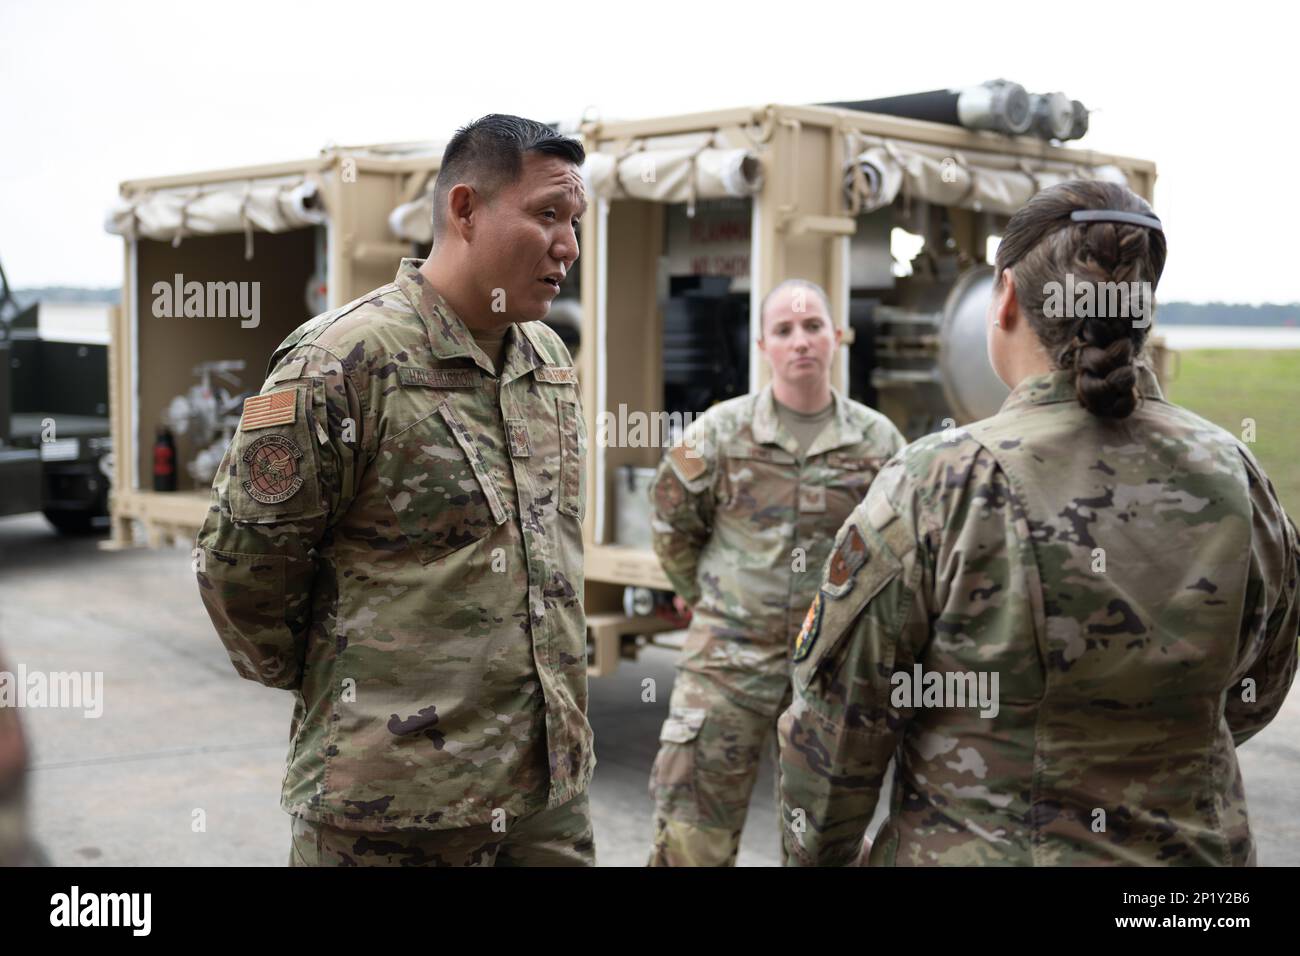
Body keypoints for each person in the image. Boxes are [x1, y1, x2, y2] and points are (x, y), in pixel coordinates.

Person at [778, 180, 1300, 866]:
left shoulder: (937, 482)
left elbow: (837, 731)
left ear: (1006, 300)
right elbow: (1258, 687)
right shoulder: (1238, 475)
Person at [195, 114, 595, 866]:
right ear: (465, 210)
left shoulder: (546, 358)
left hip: (546, 797)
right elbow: (240, 574)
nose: (568, 246)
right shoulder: (342, 361)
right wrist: (352, 691)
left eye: (574, 220)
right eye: (547, 215)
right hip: (393, 810)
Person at [647, 279, 906, 866]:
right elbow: (668, 518)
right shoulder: (713, 431)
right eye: (785, 330)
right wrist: (706, 596)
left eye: (813, 326)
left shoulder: (880, 441)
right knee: (691, 836)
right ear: (762, 343)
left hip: (828, 671)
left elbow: (897, 554)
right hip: (726, 665)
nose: (801, 341)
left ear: (837, 337)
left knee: (822, 847)